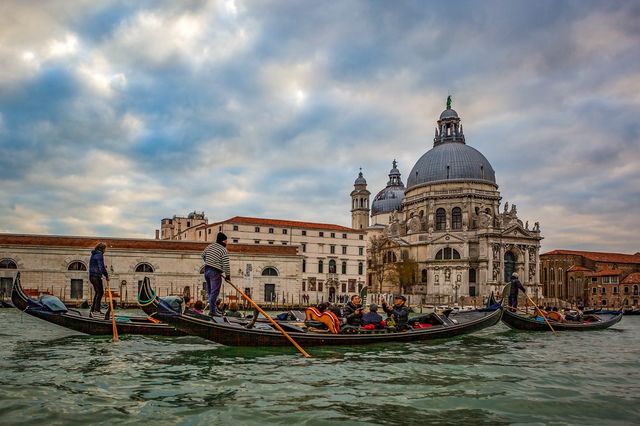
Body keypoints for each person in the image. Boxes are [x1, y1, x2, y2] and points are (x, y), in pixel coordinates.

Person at [202, 232, 230, 316]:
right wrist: (228, 276)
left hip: (206, 270)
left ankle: (213, 310)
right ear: (222, 241)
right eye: (226, 241)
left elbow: (203, 255)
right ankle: (212, 312)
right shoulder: (223, 250)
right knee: (214, 292)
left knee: (210, 292)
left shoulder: (210, 246)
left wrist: (209, 262)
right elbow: (226, 264)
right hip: (215, 272)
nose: (226, 243)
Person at [88, 242, 109, 318]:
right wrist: (106, 275)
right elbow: (101, 267)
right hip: (96, 276)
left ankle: (93, 309)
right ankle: (96, 310)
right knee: (100, 292)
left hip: (92, 276)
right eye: (105, 249)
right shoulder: (99, 254)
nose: (105, 250)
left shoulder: (93, 254)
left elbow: (96, 265)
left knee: (98, 292)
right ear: (102, 248)